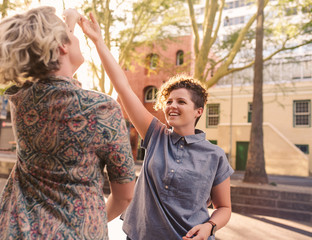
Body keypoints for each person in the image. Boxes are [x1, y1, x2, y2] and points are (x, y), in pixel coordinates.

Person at [0, 6, 135, 239]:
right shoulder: (103, 109)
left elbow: (50, 62)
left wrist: (66, 27)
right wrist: (90, 221)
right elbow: (124, 195)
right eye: (70, 36)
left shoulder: (20, 99)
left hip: (13, 231)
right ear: (61, 46)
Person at [79, 11, 234, 240]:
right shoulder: (156, 135)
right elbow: (123, 87)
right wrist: (98, 42)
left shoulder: (215, 155)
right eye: (169, 101)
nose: (172, 106)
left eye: (181, 102)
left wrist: (210, 226)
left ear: (198, 111)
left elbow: (224, 208)